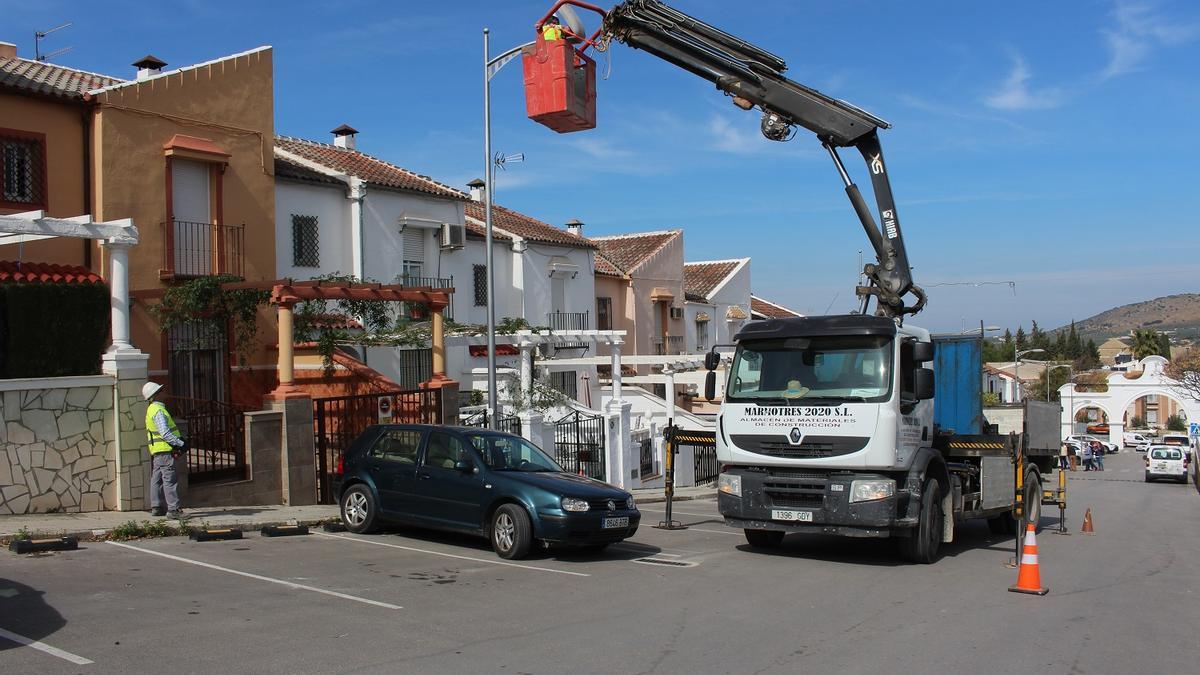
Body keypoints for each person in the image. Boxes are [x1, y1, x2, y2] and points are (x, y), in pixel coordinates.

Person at [143, 382, 186, 518]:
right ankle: (173, 510)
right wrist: (180, 443)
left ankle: (156, 507)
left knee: (156, 479)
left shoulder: (151, 409)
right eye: (161, 390)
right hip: (165, 451)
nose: (164, 391)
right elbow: (165, 433)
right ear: (156, 395)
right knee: (169, 480)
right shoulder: (159, 411)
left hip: (157, 452)